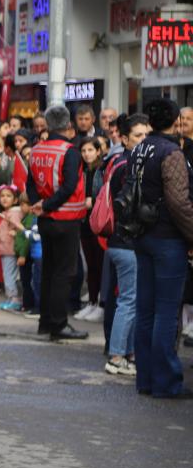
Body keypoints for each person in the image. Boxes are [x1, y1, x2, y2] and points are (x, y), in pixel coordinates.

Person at [128, 99, 193, 398]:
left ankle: (146, 379)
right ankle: (165, 382)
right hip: (168, 239)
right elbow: (179, 202)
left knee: (146, 310)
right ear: (176, 121)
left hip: (143, 236)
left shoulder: (140, 147)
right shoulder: (171, 152)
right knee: (166, 313)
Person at [27, 104, 89, 341]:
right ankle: (59, 323)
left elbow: (30, 183)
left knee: (49, 271)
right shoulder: (70, 151)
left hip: (45, 219)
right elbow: (70, 186)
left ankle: (45, 322)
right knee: (64, 273)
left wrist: (38, 203)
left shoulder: (36, 149)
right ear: (68, 125)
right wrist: (48, 205)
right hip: (66, 219)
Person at [102, 114, 149, 376]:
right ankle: (117, 356)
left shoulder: (117, 162)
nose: (143, 140)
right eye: (138, 135)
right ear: (124, 139)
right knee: (129, 301)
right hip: (125, 242)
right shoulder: (127, 165)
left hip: (121, 241)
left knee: (130, 299)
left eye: (146, 134)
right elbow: (128, 207)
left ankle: (128, 354)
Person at [75, 137, 106, 323]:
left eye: (90, 150)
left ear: (98, 151)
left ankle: (101, 303)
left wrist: (92, 201)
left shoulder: (102, 170)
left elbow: (106, 194)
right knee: (91, 265)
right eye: (84, 150)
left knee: (100, 264)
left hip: (99, 223)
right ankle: (92, 301)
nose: (87, 154)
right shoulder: (81, 171)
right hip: (84, 221)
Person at [0, 185, 27, 312]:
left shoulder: (14, 213)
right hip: (5, 249)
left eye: (8, 196)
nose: (4, 198)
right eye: (2, 196)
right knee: (8, 274)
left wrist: (17, 233)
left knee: (9, 275)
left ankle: (14, 299)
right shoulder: (6, 213)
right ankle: (10, 298)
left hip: (10, 249)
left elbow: (21, 228)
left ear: (15, 200)